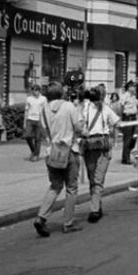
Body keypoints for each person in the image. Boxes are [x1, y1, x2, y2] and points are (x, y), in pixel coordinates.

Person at [33, 82, 85, 236]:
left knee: (55, 186)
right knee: (71, 188)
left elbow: (43, 131)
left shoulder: (43, 110)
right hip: (70, 150)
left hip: (52, 151)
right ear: (61, 93)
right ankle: (68, 223)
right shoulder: (69, 106)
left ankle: (41, 217)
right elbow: (78, 128)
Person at [79, 86, 120, 224]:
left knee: (98, 178)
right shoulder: (84, 108)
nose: (99, 100)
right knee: (92, 178)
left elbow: (116, 123)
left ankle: (94, 210)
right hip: (89, 146)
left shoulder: (106, 109)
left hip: (103, 146)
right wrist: (81, 132)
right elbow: (78, 124)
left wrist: (114, 140)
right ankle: (97, 204)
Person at [23, 84, 47, 161]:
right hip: (30, 119)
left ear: (39, 91)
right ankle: (33, 150)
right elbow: (26, 111)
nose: (34, 92)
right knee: (27, 136)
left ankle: (36, 155)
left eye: (36, 90)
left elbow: (45, 111)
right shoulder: (29, 99)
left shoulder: (43, 99)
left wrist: (45, 122)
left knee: (37, 138)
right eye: (33, 90)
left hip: (39, 120)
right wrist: (24, 122)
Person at [118, 81, 138, 164]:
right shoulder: (125, 96)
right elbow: (121, 107)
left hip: (133, 118)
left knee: (132, 139)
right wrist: (120, 119)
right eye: (133, 86)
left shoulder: (133, 96)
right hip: (127, 118)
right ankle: (125, 158)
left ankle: (128, 156)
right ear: (129, 87)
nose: (135, 88)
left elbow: (135, 108)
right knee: (127, 139)